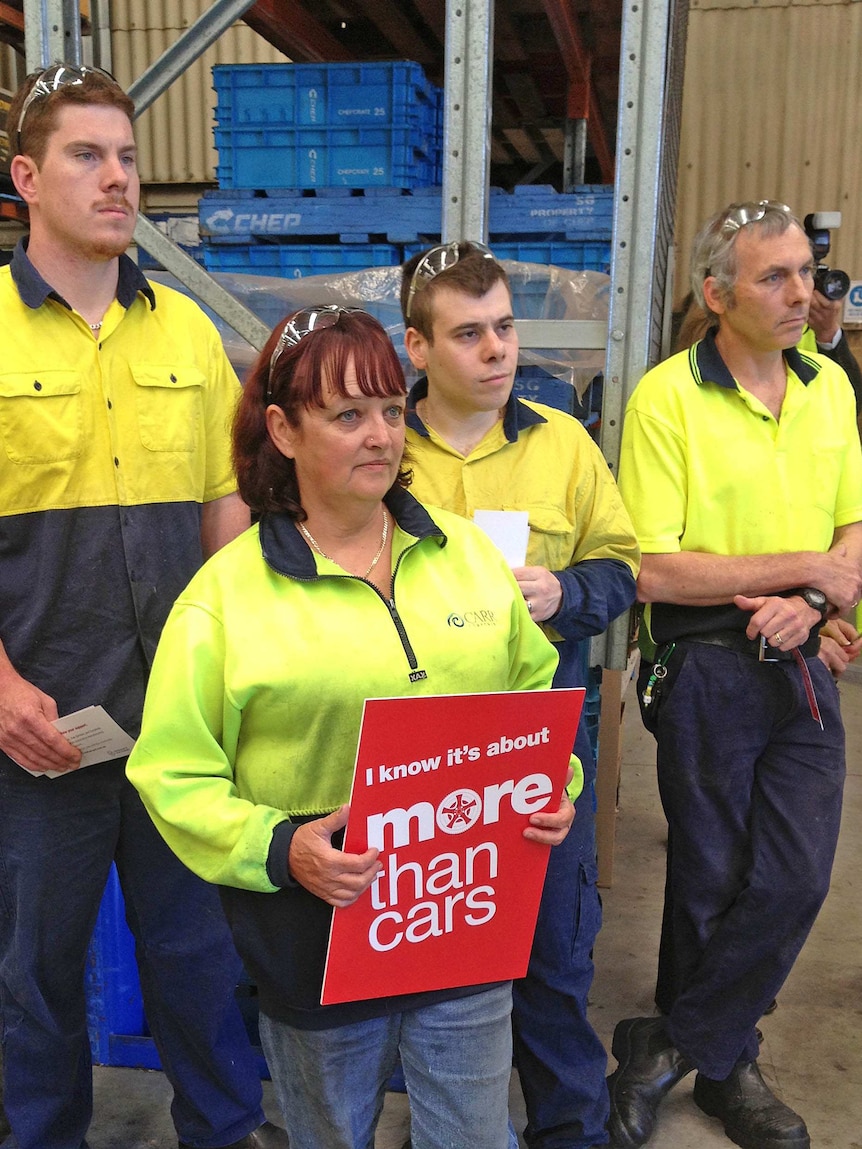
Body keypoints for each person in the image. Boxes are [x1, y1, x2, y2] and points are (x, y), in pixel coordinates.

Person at [126, 305, 579, 1149]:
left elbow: (533, 692)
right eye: (347, 415)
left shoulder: (467, 558)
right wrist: (280, 847)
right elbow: (172, 773)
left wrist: (556, 787)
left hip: (461, 919)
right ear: (283, 429)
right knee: (332, 1134)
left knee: (475, 1136)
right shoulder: (225, 600)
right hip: (316, 941)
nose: (380, 437)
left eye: (391, 411)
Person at [0, 63, 287, 1149]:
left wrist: (242, 657)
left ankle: (222, 1131)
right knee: (35, 973)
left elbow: (225, 506)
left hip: (179, 718)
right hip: (40, 727)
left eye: (126, 155)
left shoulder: (183, 336)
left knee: (200, 956)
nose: (117, 178)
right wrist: (2, 689)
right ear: (27, 175)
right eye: (87, 155)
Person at [611, 199, 862, 1149]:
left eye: (807, 272)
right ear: (718, 295)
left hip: (800, 653)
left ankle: (668, 1042)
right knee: (711, 872)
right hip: (701, 657)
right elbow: (653, 567)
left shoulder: (831, 387)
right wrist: (803, 572)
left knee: (795, 874)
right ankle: (729, 1068)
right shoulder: (668, 398)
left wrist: (828, 607)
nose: (805, 293)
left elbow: (854, 526)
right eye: (777, 276)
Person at [399, 242, 641, 1149]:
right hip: (414, 751)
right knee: (427, 965)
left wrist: (566, 593)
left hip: (543, 748)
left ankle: (570, 1131)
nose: (497, 349)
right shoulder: (382, 450)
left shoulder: (563, 444)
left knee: (552, 957)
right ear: (417, 347)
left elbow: (621, 564)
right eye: (469, 334)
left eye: (504, 327)